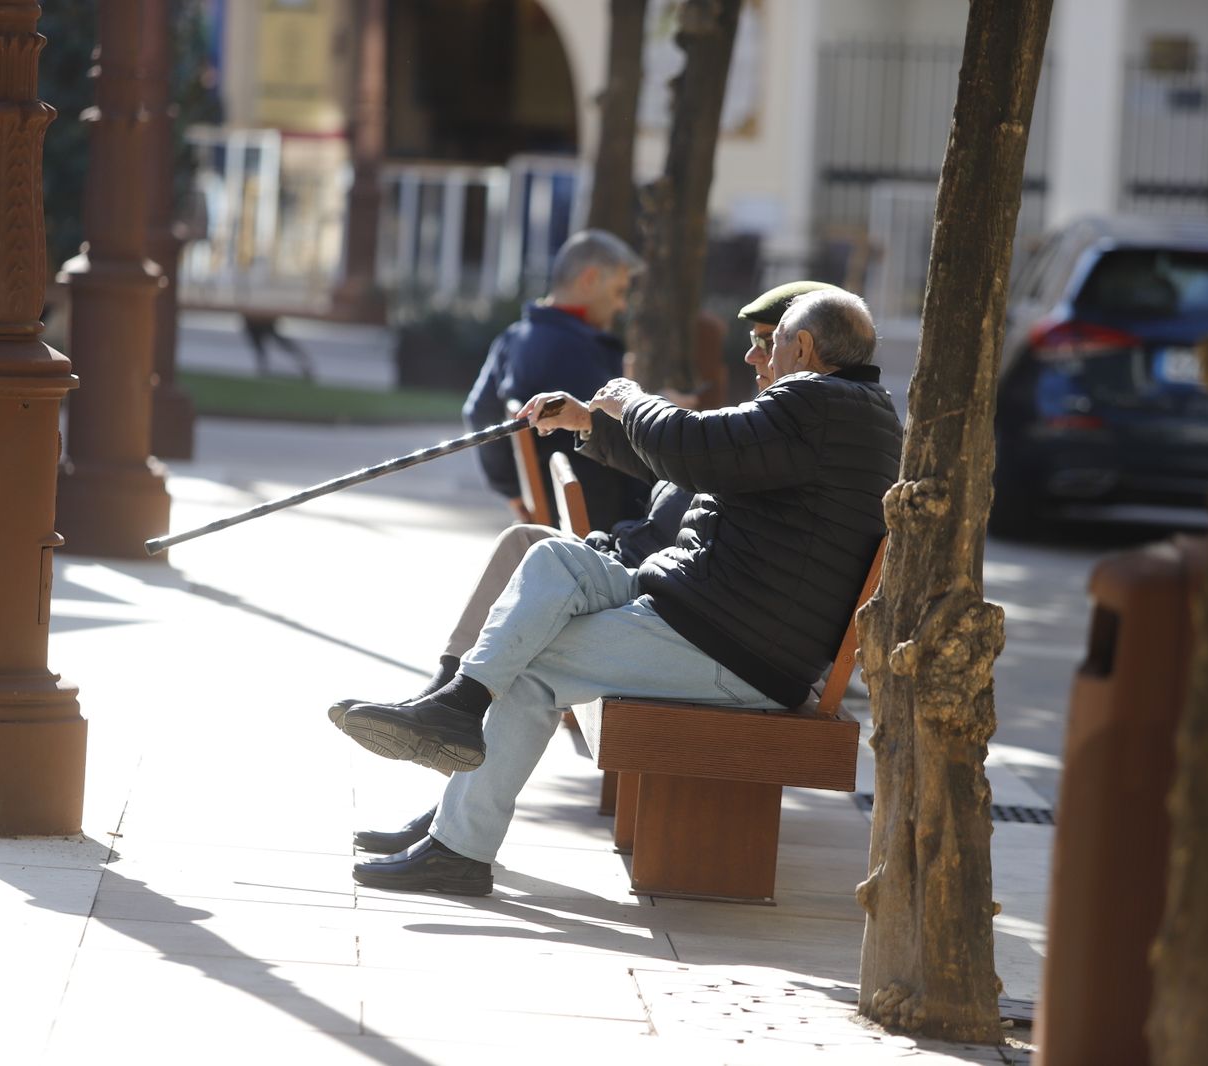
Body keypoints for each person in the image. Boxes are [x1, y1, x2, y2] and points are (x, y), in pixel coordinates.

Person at [338, 288, 904, 894]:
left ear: (804, 347)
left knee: (530, 666)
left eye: (771, 342)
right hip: (712, 614)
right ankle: (459, 706)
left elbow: (690, 447)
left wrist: (630, 400)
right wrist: (599, 423)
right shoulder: (848, 413)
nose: (752, 358)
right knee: (553, 556)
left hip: (734, 648)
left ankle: (457, 845)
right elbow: (700, 463)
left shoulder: (815, 403)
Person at [464, 229, 648, 530]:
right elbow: (621, 430)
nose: (622, 306)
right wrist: (666, 408)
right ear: (589, 279)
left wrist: (515, 491)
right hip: (606, 521)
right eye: (619, 292)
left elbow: (478, 412)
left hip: (560, 511)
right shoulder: (576, 350)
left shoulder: (514, 337)